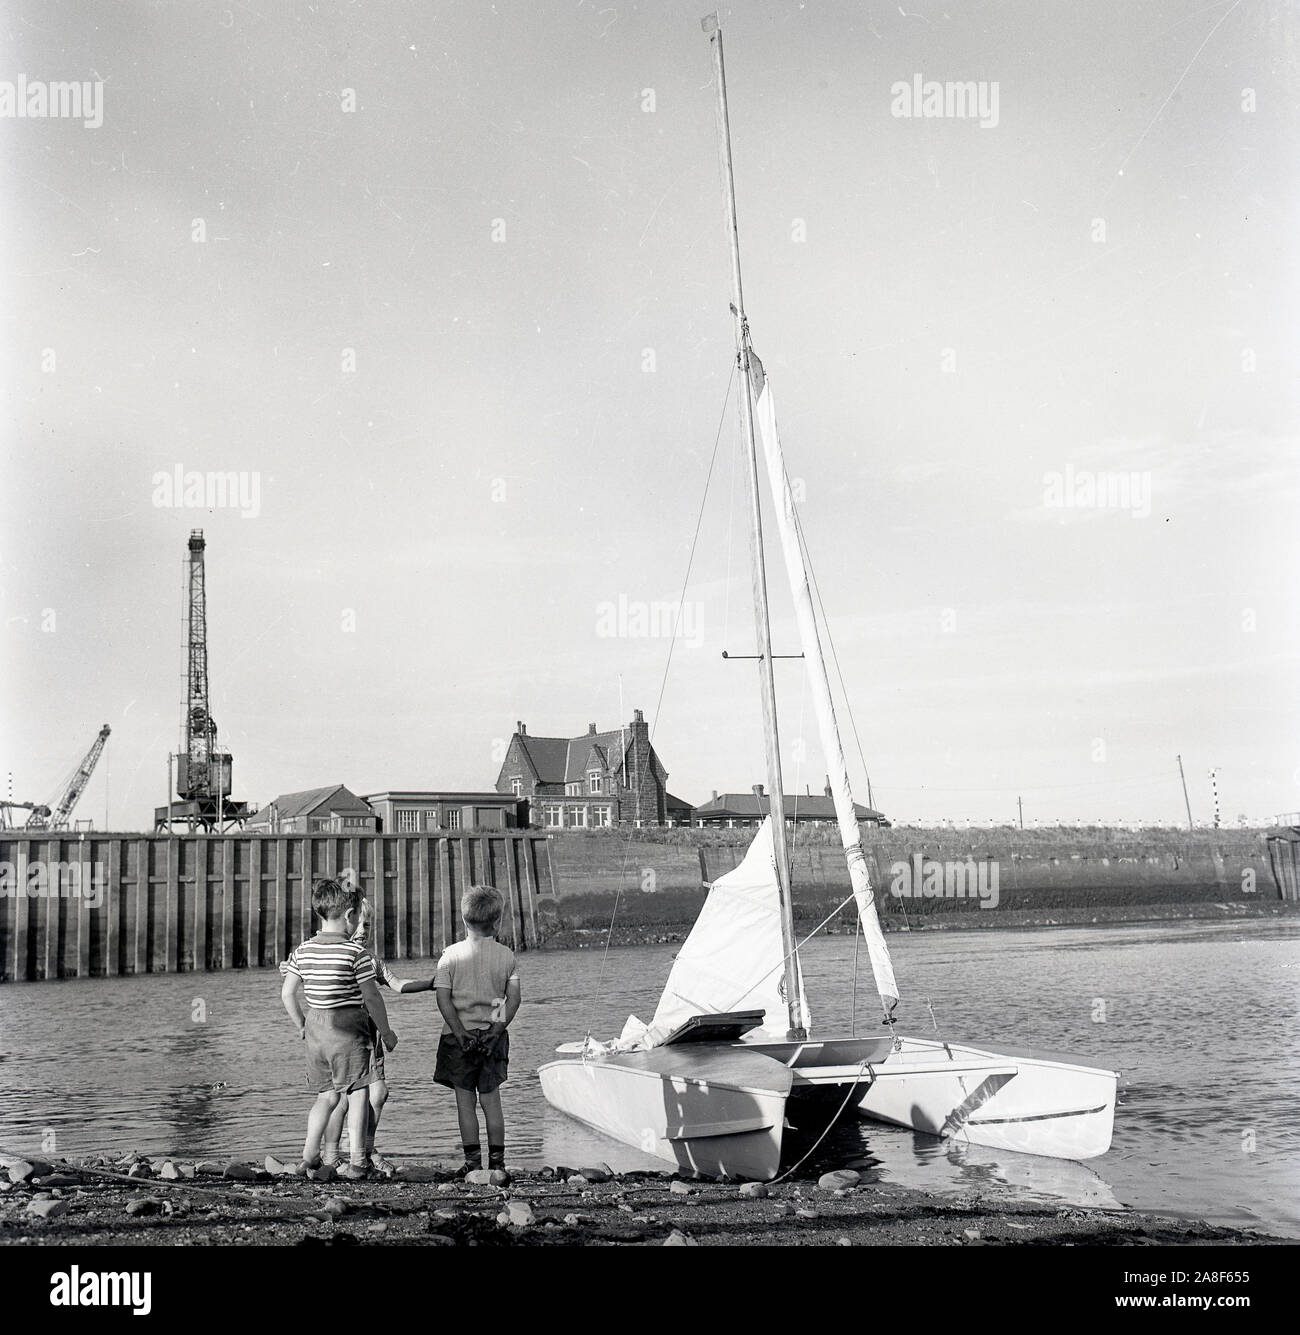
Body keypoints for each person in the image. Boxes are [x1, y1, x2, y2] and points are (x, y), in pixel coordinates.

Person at [280, 893, 431, 1177]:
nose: (361, 931)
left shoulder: (308, 950)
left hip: (321, 1031)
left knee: (330, 1096)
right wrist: (387, 1031)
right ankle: (354, 1158)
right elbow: (373, 998)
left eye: (368, 926)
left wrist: (301, 1024)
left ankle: (311, 1156)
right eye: (359, 924)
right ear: (348, 918)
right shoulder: (355, 955)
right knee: (356, 1095)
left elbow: (288, 992)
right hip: (352, 1032)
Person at [434, 885, 521, 1175]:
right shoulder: (506, 956)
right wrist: (497, 1028)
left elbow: (443, 998)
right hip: (491, 1038)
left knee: (465, 1102)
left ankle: (473, 1163)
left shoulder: (449, 956)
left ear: (463, 919)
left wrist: (459, 1031)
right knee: (491, 1100)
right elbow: (512, 997)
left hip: (458, 1039)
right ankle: (498, 1163)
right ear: (496, 923)